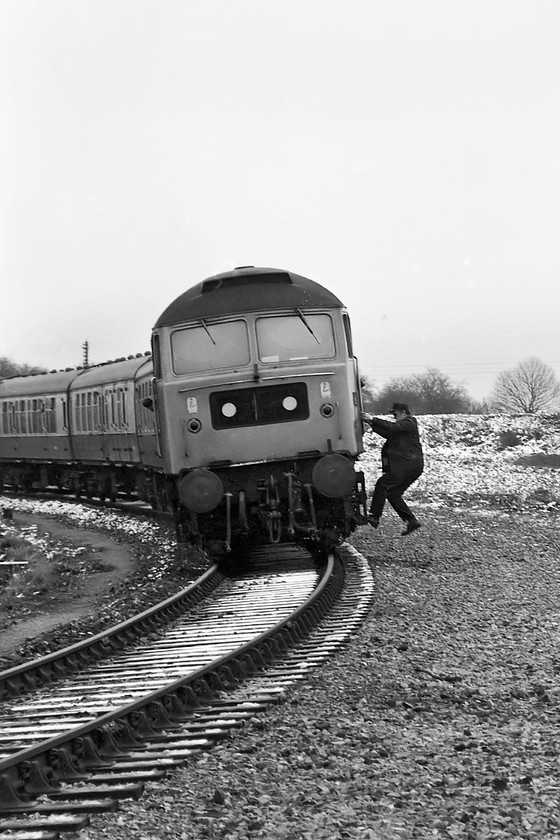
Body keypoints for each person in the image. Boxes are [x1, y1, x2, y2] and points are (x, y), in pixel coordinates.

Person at [360, 402, 424, 536]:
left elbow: (393, 428)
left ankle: (374, 516)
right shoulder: (403, 429)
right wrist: (372, 425)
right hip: (411, 466)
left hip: (407, 465)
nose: (394, 417)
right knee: (393, 494)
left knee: (382, 484)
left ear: (403, 412)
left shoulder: (410, 423)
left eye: (395, 414)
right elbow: (389, 433)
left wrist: (373, 419)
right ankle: (411, 521)